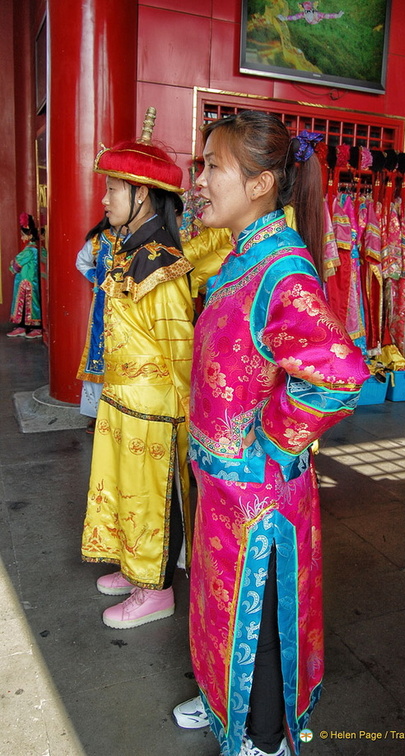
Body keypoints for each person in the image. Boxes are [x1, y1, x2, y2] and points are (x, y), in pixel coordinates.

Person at [172, 111, 369, 756]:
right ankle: (218, 702)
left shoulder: (282, 273)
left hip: (258, 504)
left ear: (259, 185)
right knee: (217, 612)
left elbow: (340, 374)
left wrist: (275, 439)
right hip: (223, 489)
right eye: (201, 164)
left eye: (212, 167)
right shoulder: (242, 259)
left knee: (255, 627)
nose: (199, 180)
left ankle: (259, 738)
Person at [81, 109, 194, 630]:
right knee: (126, 490)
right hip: (123, 400)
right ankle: (134, 567)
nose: (105, 200)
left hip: (153, 409)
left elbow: (181, 351)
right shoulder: (126, 248)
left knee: (152, 498)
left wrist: (192, 419)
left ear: (142, 195)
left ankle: (157, 588)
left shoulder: (162, 264)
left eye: (113, 189)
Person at [75, 216, 123, 433]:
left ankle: (120, 412)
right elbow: (81, 261)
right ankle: (96, 414)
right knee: (98, 355)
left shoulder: (139, 239)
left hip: (128, 306)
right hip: (103, 307)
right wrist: (96, 277)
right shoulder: (99, 240)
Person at [7, 212, 42, 339]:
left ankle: (34, 328)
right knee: (29, 304)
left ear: (29, 235)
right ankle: (25, 327)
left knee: (27, 304)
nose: (22, 238)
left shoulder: (29, 250)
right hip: (29, 281)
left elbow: (15, 265)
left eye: (23, 235)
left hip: (26, 281)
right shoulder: (36, 249)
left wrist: (12, 263)